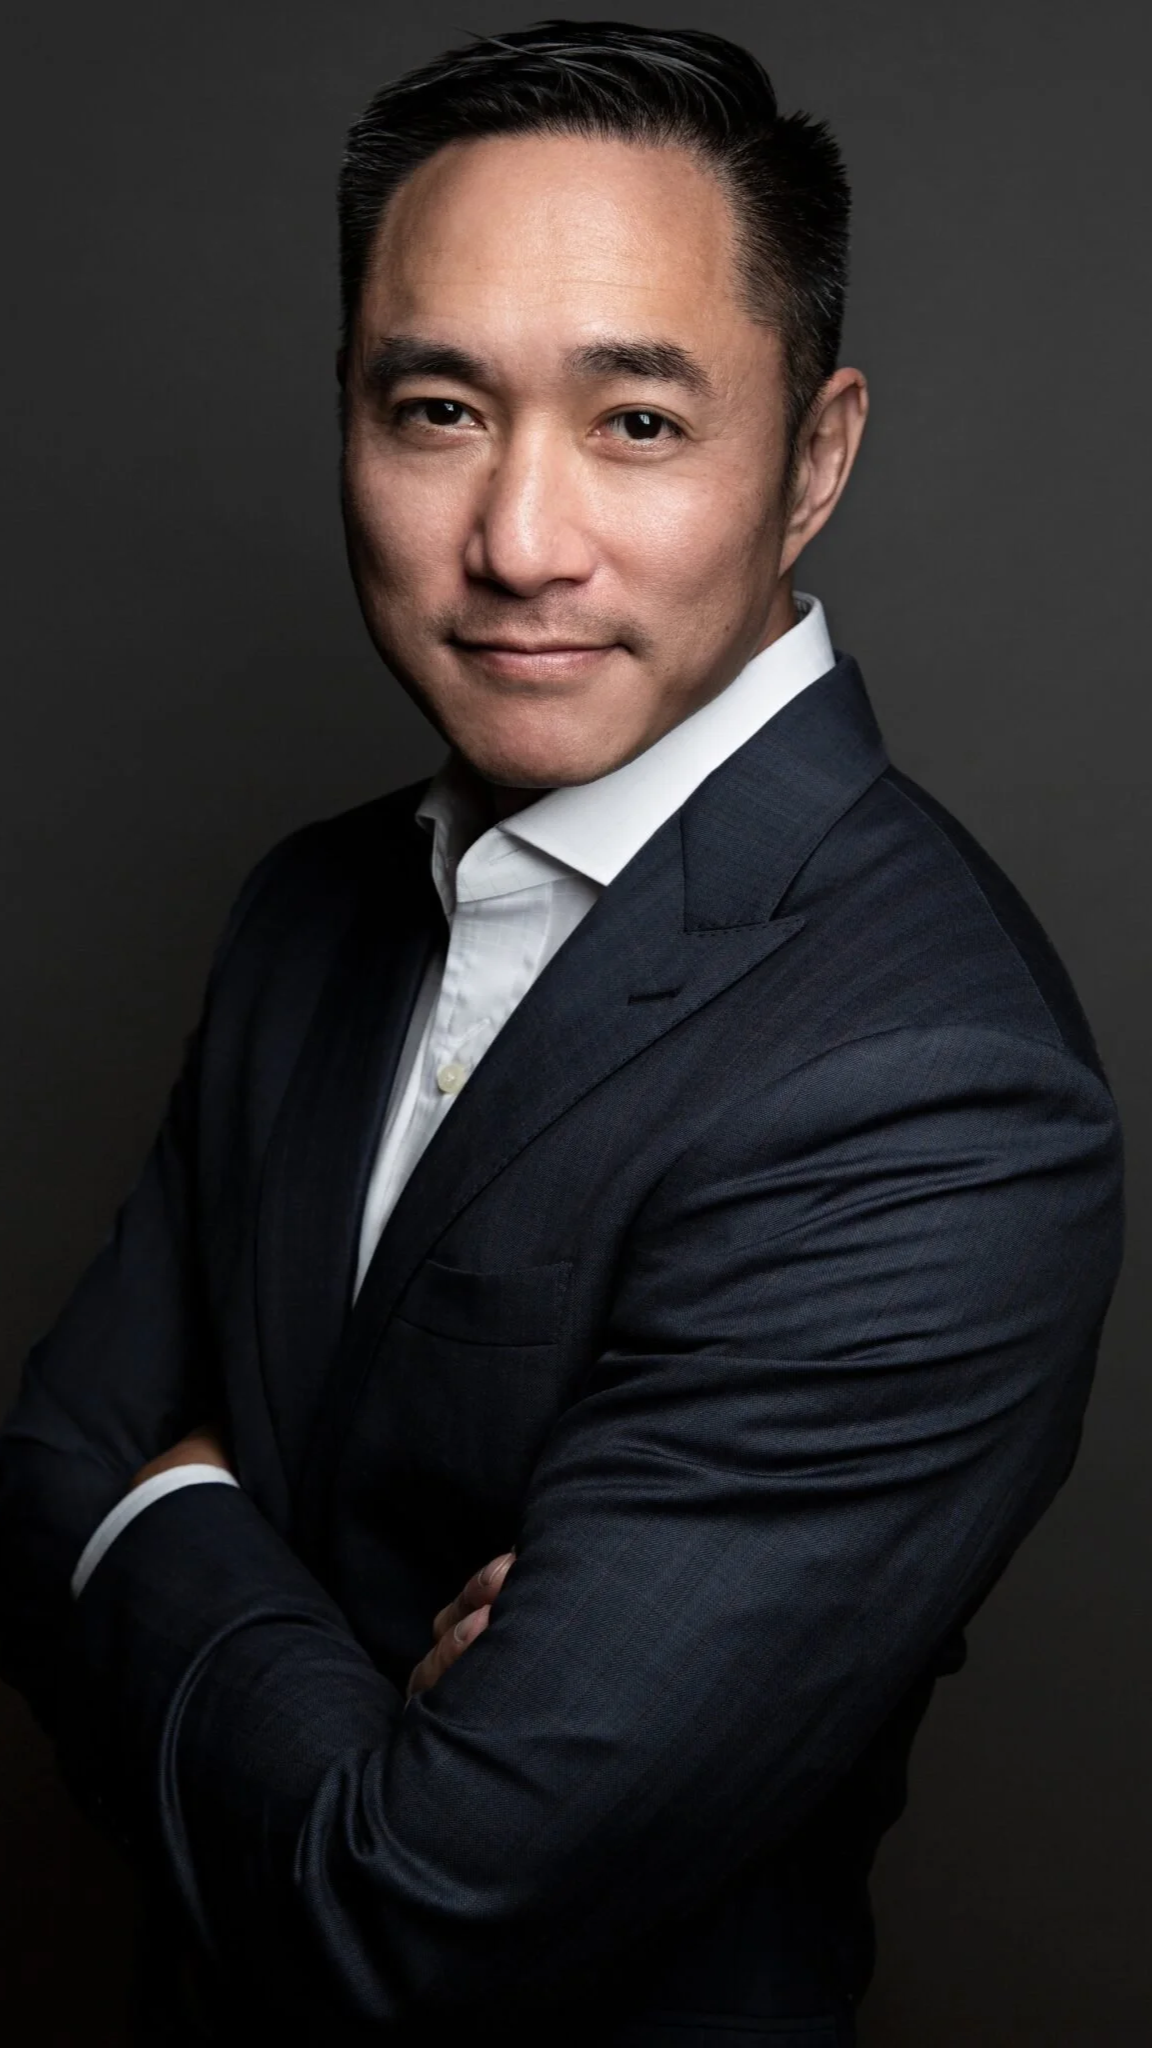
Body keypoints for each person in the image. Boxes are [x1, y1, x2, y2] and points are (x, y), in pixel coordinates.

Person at [0, 20, 1124, 2047]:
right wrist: (327, 1655)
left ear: (817, 460)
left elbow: (417, 1909)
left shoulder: (937, 1088)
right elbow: (38, 1459)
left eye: (638, 423)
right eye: (436, 410)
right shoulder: (309, 906)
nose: (519, 540)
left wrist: (161, 1512)